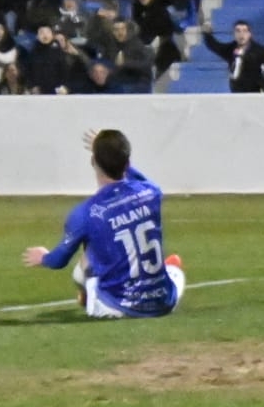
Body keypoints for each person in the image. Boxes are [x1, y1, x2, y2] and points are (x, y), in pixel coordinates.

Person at [21, 130, 185, 319]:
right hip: (163, 303)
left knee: (85, 260)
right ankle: (166, 269)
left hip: (115, 309)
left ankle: (90, 292)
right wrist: (119, 158)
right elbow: (141, 180)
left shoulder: (85, 213)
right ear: (128, 163)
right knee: (175, 273)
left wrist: (43, 257)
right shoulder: (152, 192)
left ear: (93, 162)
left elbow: (59, 260)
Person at [201, 19, 264, 93]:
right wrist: (207, 34)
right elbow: (214, 46)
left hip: (257, 93)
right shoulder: (230, 49)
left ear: (250, 34)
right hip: (237, 94)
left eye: (244, 31)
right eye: (238, 31)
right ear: (234, 34)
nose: (241, 34)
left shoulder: (260, 51)